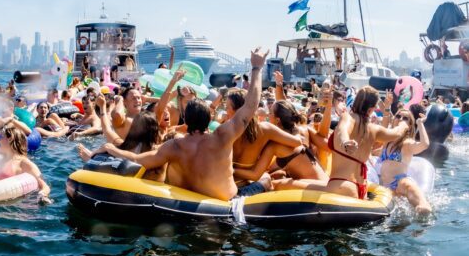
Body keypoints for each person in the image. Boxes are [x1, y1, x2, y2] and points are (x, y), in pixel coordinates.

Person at [102, 48, 271, 201]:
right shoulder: (222, 136)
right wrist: (257, 68)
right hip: (226, 204)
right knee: (266, 179)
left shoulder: (174, 145)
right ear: (209, 119)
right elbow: (250, 106)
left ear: (186, 121)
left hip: (185, 205)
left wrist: (112, 149)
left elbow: (137, 160)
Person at [274, 86, 409, 200]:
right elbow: (396, 133)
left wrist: (345, 141)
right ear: (372, 109)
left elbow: (344, 129)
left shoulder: (348, 117)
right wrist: (404, 124)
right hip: (361, 190)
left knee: (279, 184)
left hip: (341, 186)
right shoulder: (375, 129)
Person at [376, 110, 432, 214]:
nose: (400, 119)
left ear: (409, 126)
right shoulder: (386, 142)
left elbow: (425, 144)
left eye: (405, 118)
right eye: (398, 116)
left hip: (399, 183)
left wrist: (419, 123)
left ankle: (423, 204)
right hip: (385, 187)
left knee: (407, 184)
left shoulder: (407, 143)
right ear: (393, 120)